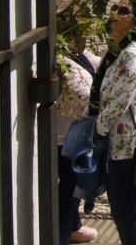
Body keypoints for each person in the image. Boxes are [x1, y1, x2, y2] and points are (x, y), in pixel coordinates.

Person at [95, 0, 136, 245]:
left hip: (125, 144)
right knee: (125, 204)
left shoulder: (132, 56)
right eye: (114, 8)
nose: (113, 13)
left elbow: (119, 102)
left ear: (134, 21)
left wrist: (97, 129)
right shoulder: (118, 51)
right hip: (119, 139)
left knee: (123, 207)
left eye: (122, 10)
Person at [56, 40, 100, 244]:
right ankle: (61, 236)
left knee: (75, 183)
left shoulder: (77, 52)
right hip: (64, 136)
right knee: (71, 186)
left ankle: (74, 226)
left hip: (78, 132)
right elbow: (81, 94)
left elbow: (97, 63)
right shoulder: (59, 60)